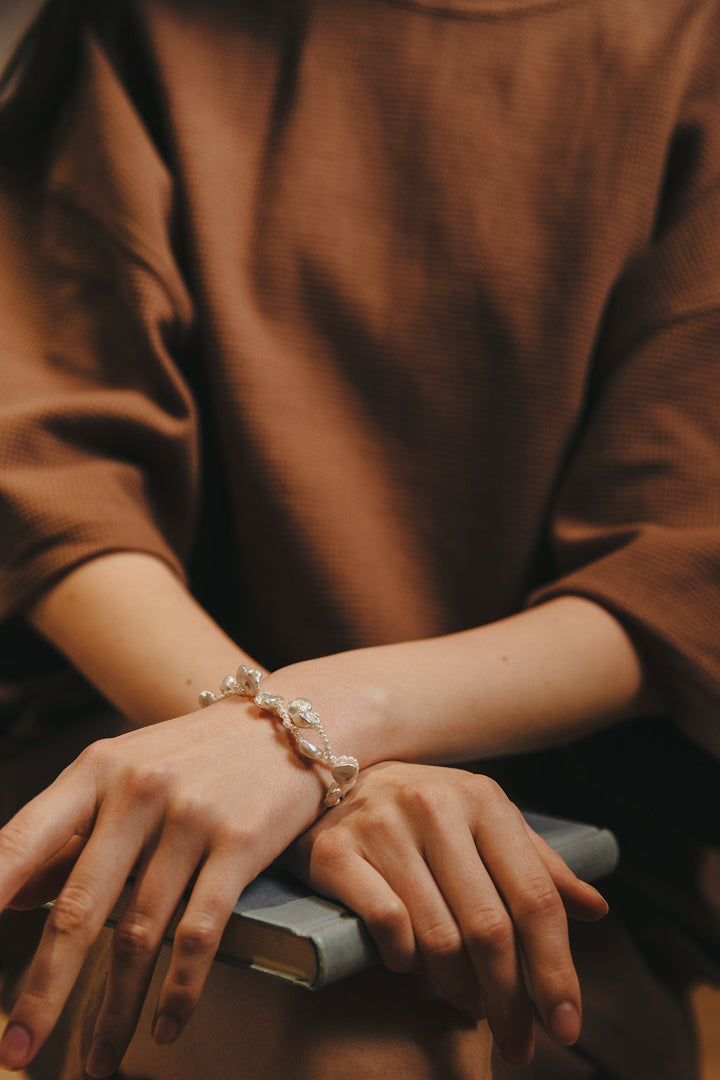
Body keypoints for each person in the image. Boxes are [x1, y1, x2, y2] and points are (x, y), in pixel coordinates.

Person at [0, 0, 719, 1077]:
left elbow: (678, 566)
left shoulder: (691, 47)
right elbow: (55, 483)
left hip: (553, 854)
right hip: (130, 762)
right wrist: (294, 759)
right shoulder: (144, 28)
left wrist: (311, 738)